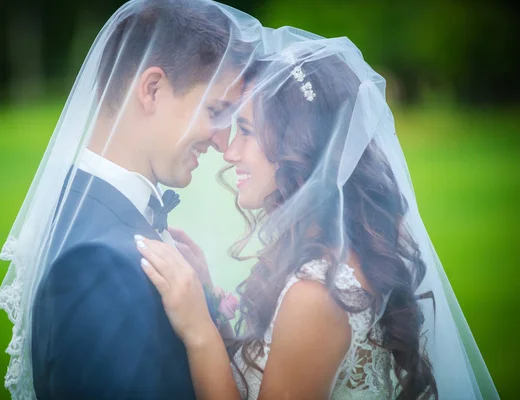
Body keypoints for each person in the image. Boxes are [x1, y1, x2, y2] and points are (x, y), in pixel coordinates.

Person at [136, 34, 499, 399]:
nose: (229, 151)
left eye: (246, 131)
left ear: (298, 144)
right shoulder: (333, 255)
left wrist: (198, 330)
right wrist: (211, 306)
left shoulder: (314, 296)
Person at [0, 0, 260, 399]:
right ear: (152, 89)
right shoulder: (94, 264)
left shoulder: (98, 211)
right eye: (216, 111)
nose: (224, 142)